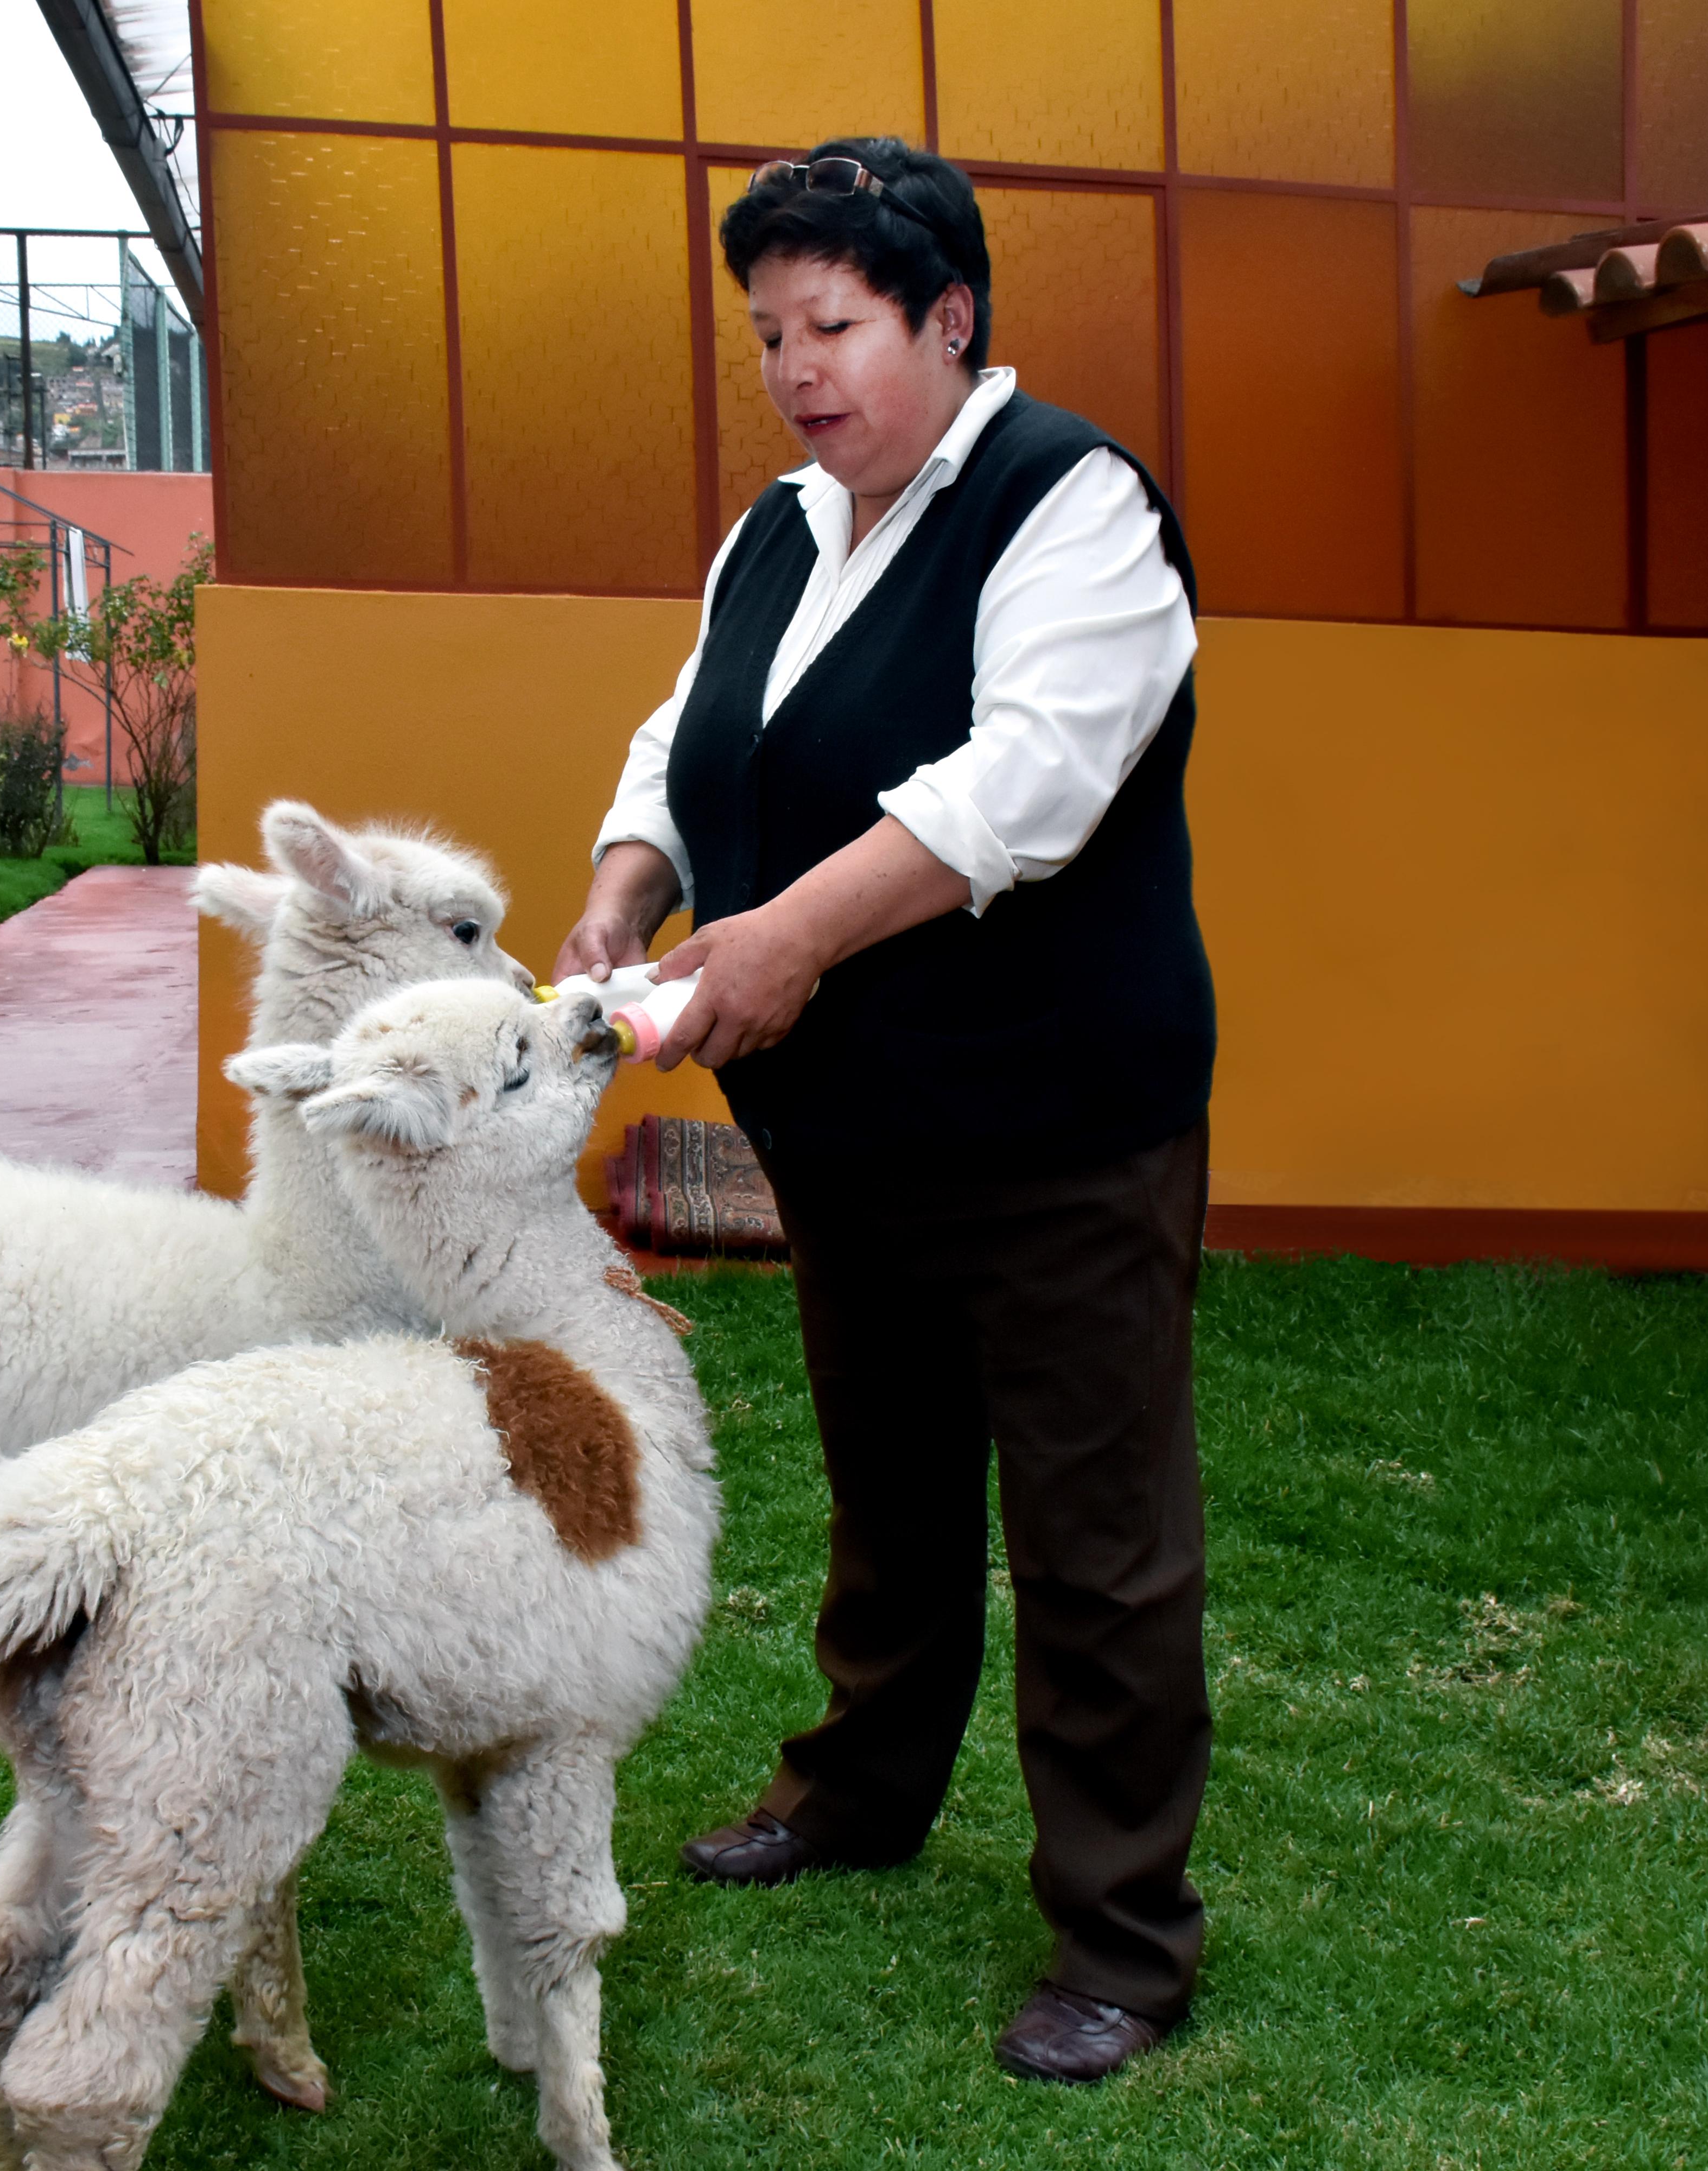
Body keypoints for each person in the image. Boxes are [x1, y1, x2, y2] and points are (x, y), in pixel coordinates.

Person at [550, 138, 1215, 2085]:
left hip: (1056, 1117)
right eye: (768, 333)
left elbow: (1024, 782)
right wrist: (624, 891)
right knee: (894, 1488)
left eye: (831, 326)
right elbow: (696, 731)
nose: (795, 367)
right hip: (846, 1121)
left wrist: (782, 943)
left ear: (951, 316)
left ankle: (1123, 1933)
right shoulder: (778, 525)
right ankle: (861, 1790)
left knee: (1097, 1536)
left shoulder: (1072, 505)